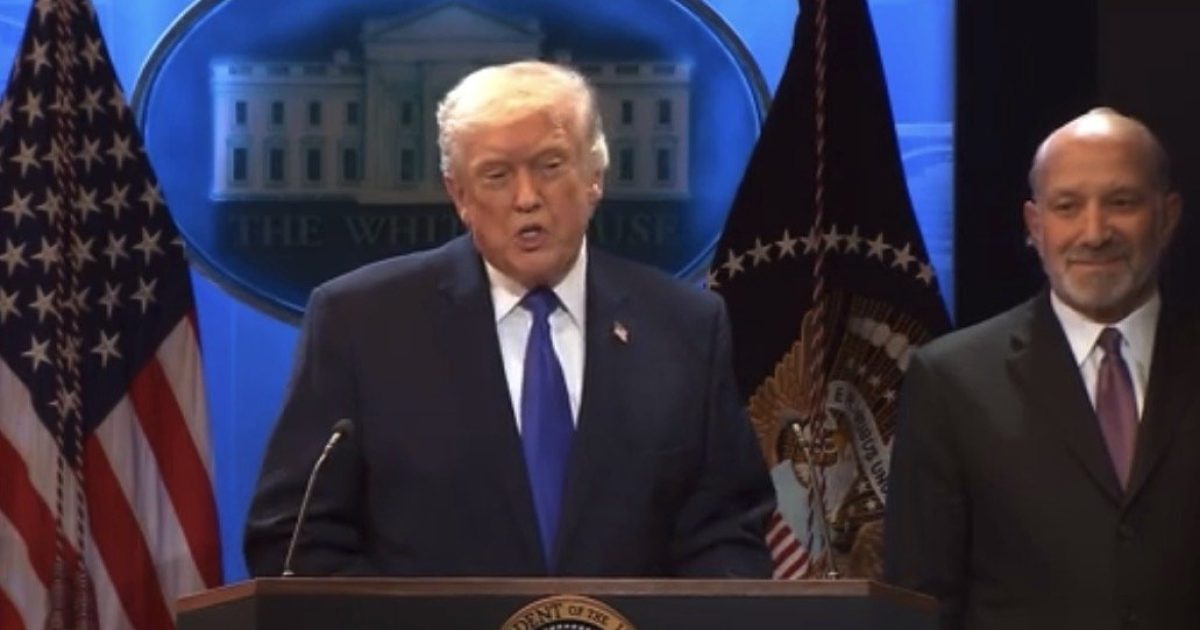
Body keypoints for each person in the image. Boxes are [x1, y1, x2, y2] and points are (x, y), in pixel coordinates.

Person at [243, 60, 774, 578]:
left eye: (550, 166)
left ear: (595, 175)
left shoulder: (685, 326)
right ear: (459, 195)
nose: (527, 198)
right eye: (496, 176)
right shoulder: (361, 322)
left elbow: (724, 532)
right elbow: (296, 537)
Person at [884, 107, 1200, 629]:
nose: (1094, 232)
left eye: (1121, 203)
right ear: (1036, 226)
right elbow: (921, 601)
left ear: (1167, 217)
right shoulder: (951, 382)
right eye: (1067, 206)